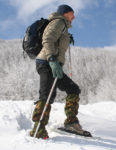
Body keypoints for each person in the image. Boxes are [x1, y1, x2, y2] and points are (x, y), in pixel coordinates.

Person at [30, 4, 91, 139]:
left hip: (53, 65)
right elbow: (48, 39)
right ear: (64, 13)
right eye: (71, 13)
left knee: (73, 89)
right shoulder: (58, 22)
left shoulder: (63, 25)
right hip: (46, 63)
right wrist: (51, 58)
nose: (74, 17)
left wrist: (66, 39)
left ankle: (71, 123)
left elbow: (55, 40)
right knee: (46, 96)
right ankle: (38, 129)